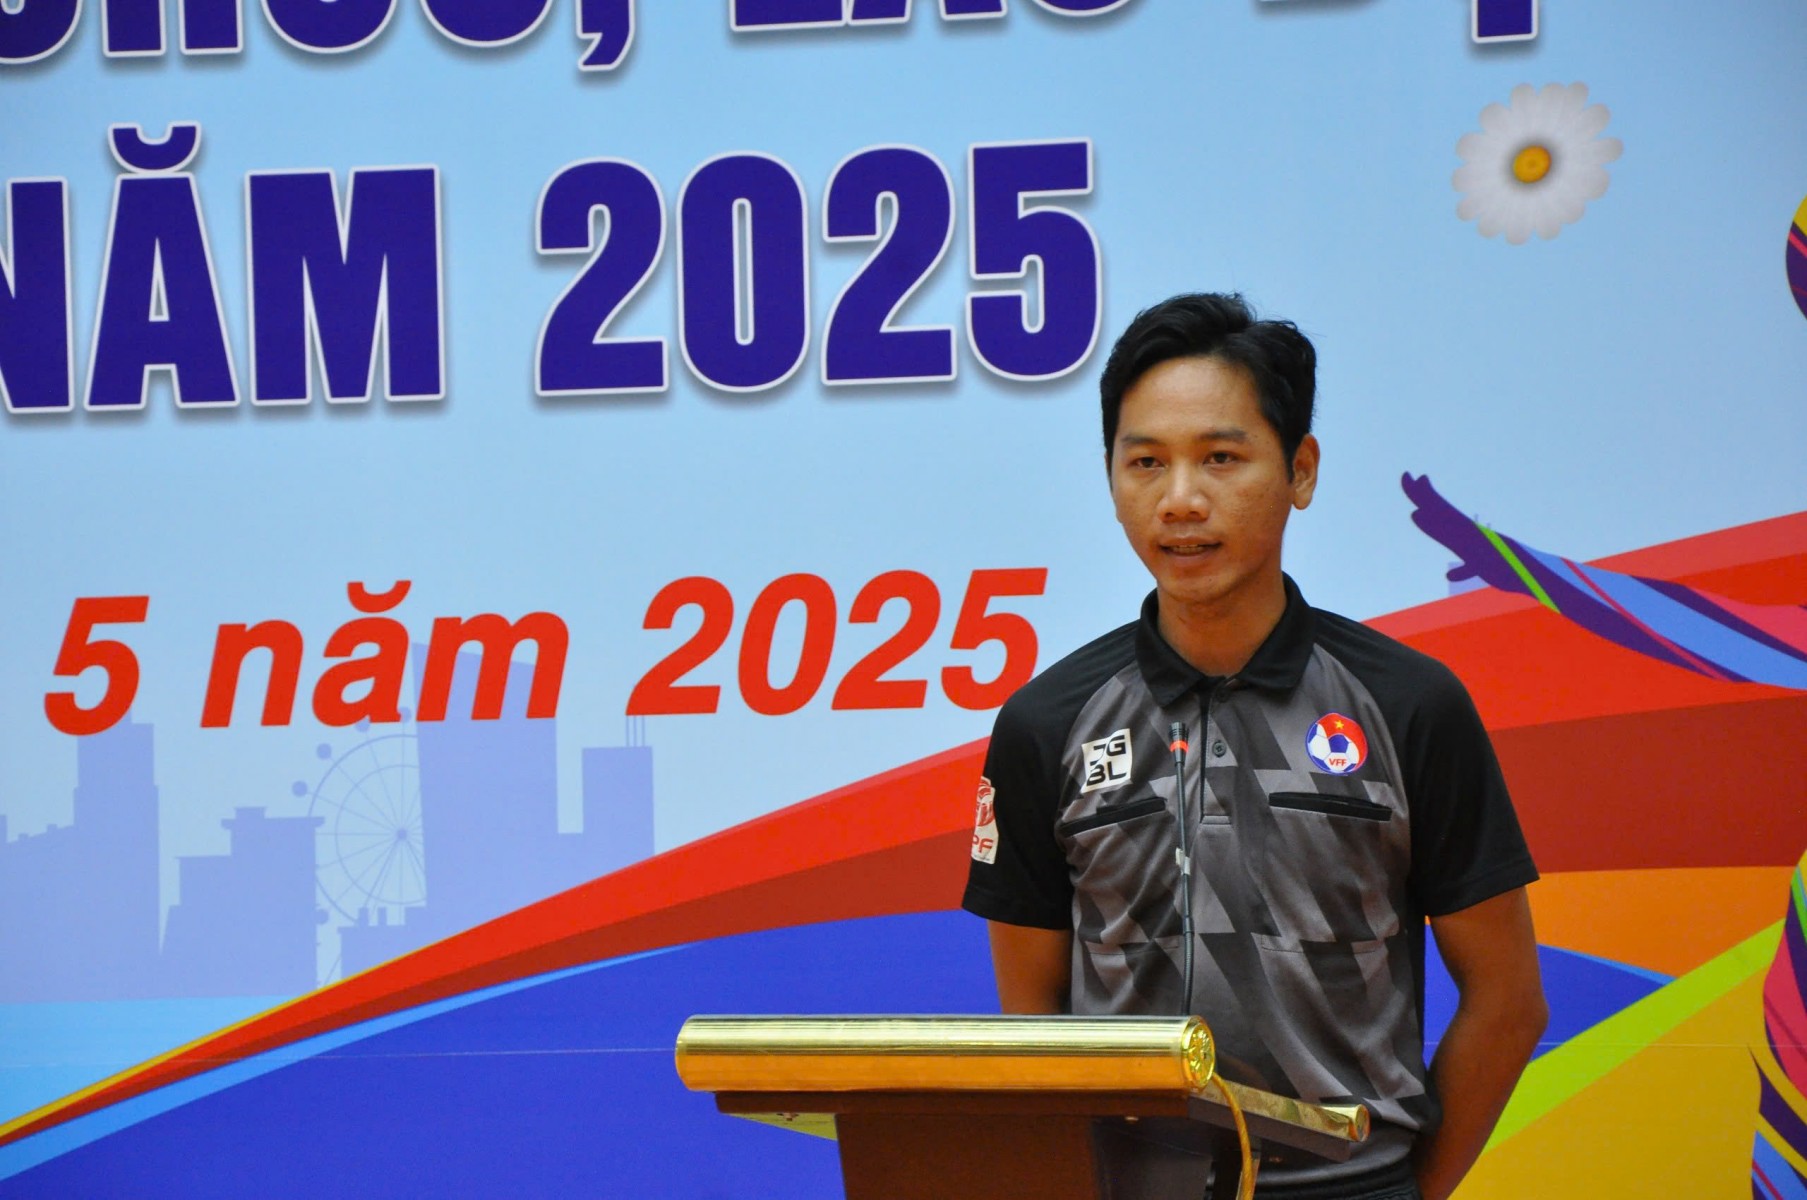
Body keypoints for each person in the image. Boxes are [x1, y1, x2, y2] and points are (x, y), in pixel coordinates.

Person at [961, 293, 1547, 1200]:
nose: (1180, 500)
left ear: (1299, 470)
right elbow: (1033, 1022)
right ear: (1110, 479)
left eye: (1220, 458)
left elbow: (1508, 1003)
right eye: (1144, 462)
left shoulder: (1408, 706)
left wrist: (1400, 1193)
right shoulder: (1046, 723)